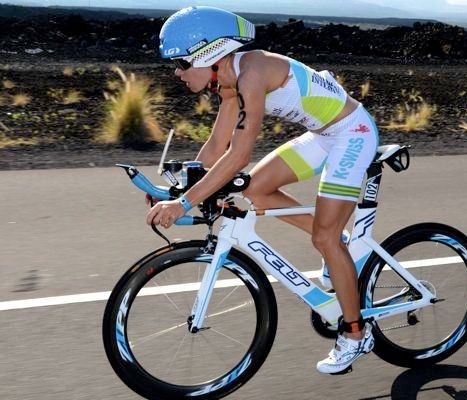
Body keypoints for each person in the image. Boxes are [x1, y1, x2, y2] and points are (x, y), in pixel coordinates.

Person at [146, 6, 379, 374]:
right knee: (257, 190)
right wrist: (175, 191)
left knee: (325, 239)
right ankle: (340, 244)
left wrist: (185, 202)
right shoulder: (226, 82)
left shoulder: (250, 75)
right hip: (322, 136)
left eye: (180, 63)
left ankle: (355, 333)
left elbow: (238, 155)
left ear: (207, 53)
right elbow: (216, 147)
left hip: (352, 133)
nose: (176, 73)